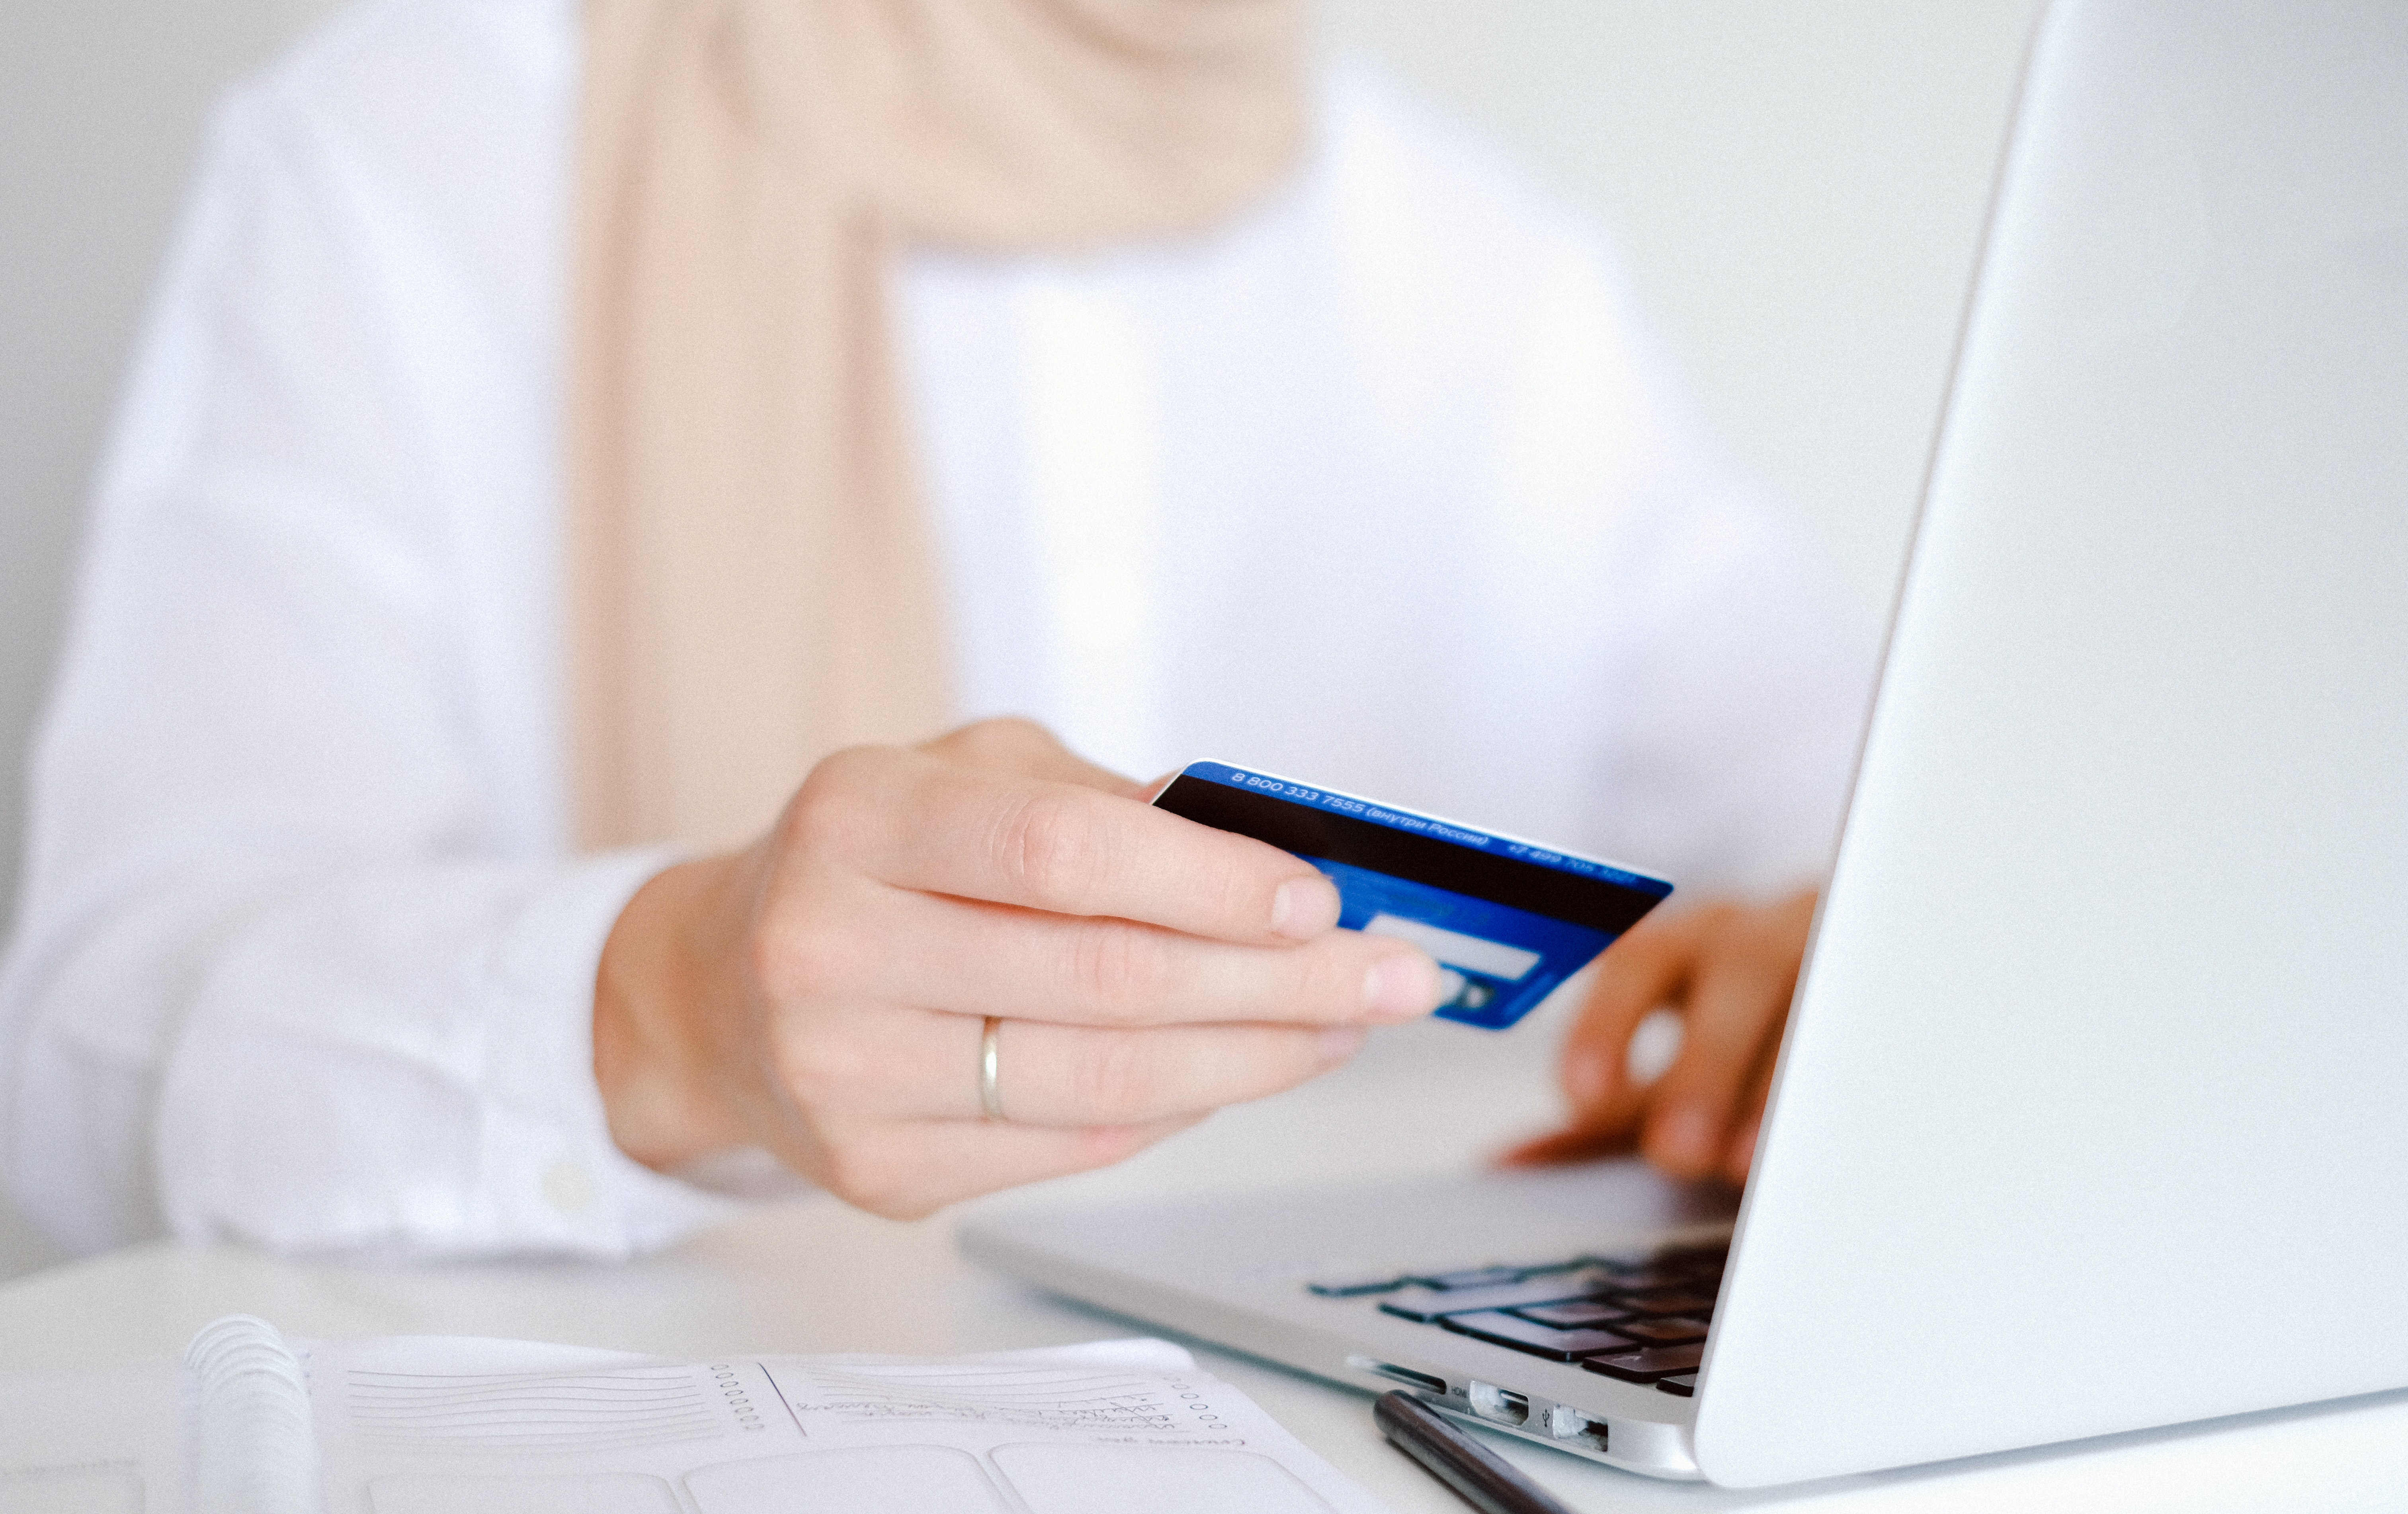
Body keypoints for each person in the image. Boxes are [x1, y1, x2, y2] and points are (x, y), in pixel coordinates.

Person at [0, 0, 1867, 1260]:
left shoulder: (1488, 271)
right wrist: (660, 1004)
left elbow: (1854, 802)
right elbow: (85, 1064)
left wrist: (1840, 958)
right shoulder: (412, 146)